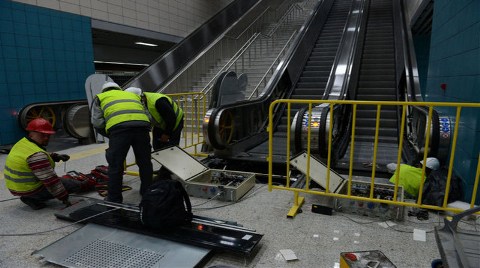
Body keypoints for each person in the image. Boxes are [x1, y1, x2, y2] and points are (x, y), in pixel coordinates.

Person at [3, 118, 94, 210]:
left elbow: (32, 157)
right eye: (42, 135)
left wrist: (55, 156)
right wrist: (65, 199)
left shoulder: (22, 143)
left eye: (48, 135)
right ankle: (33, 198)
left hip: (17, 187)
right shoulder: (37, 156)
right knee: (73, 185)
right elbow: (51, 182)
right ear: (31, 134)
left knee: (62, 182)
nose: (46, 138)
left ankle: (30, 196)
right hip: (31, 189)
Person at [91, 82, 153, 203]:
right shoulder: (133, 96)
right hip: (142, 128)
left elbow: (97, 123)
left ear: (104, 90)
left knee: (115, 166)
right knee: (145, 163)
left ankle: (114, 199)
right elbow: (149, 117)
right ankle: (147, 193)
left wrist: (111, 134)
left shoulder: (100, 97)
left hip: (119, 131)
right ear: (119, 89)